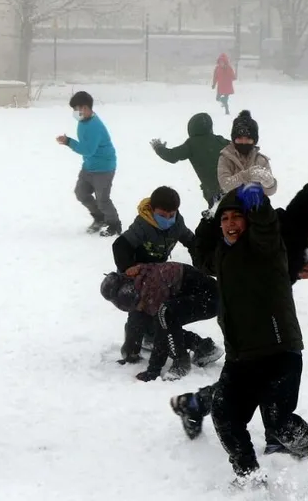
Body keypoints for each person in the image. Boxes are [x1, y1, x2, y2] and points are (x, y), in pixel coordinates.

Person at [169, 178, 308, 450]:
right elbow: (253, 259)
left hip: (258, 320)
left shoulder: (294, 235)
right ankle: (268, 436)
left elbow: (270, 274)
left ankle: (196, 404)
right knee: (254, 381)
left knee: (250, 381)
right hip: (249, 319)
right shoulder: (282, 230)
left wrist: (296, 272)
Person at [112, 186, 197, 363]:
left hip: (159, 275)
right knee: (138, 311)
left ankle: (150, 336)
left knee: (157, 309)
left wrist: (203, 258)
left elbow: (191, 241)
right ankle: (131, 350)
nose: (167, 219)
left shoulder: (177, 223)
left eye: (171, 215)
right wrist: (128, 267)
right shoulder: (142, 225)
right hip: (138, 275)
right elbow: (120, 245)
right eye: (162, 215)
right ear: (152, 210)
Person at [100, 261, 222, 382]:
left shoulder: (152, 286)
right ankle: (204, 347)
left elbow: (162, 332)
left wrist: (153, 370)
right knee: (153, 320)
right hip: (188, 295)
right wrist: (130, 353)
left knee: (164, 316)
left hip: (211, 298)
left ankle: (181, 361)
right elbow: (136, 318)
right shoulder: (136, 282)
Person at [58, 90, 121, 236]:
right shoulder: (83, 120)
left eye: (77, 109)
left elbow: (88, 150)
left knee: (103, 199)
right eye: (74, 109)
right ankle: (99, 217)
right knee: (81, 193)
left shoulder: (95, 126)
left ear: (85, 108)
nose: (75, 112)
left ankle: (114, 224)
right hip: (89, 166)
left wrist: (68, 142)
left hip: (104, 168)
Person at [151, 113, 229, 206]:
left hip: (215, 192)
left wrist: (159, 148)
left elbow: (171, 156)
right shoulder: (219, 140)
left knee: (219, 215)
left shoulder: (191, 145)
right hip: (233, 186)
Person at [218, 110, 277, 197]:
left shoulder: (261, 160)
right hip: (231, 204)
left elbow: (269, 192)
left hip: (255, 205)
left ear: (254, 140)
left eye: (248, 139)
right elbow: (225, 185)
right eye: (240, 138)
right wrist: (246, 175)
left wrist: (270, 184)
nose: (243, 142)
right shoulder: (226, 157)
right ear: (234, 139)